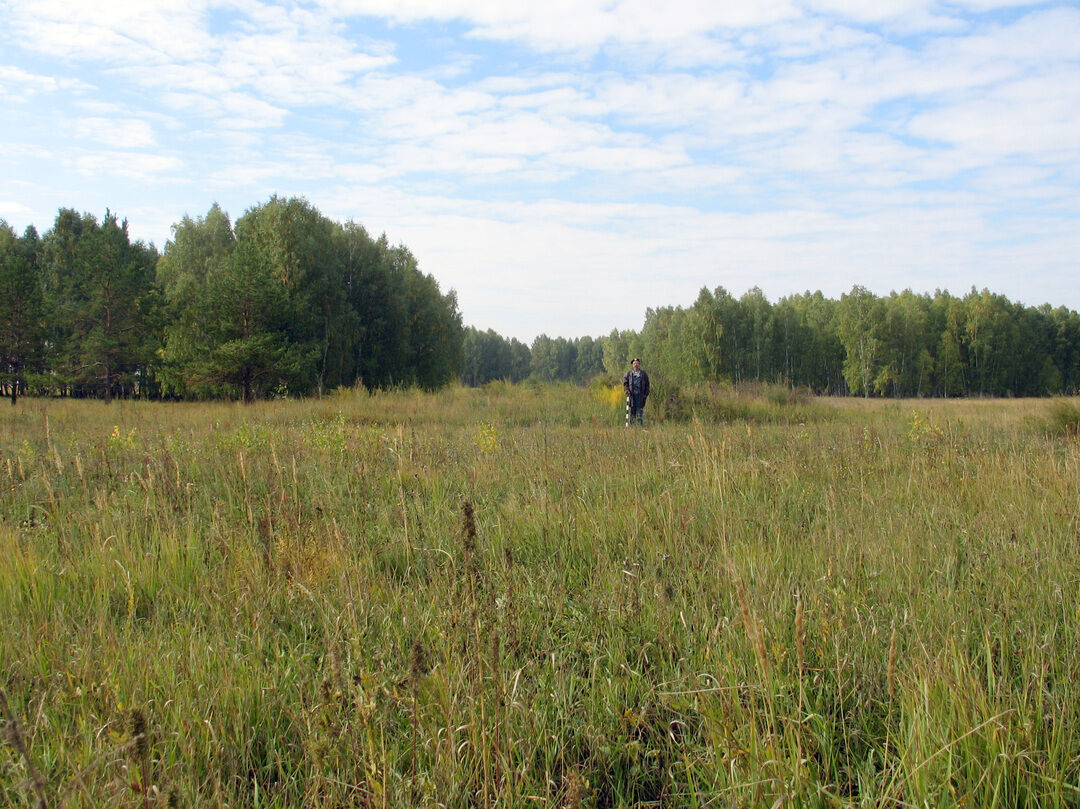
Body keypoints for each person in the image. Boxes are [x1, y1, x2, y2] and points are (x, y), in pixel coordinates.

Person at [622, 357, 650, 426]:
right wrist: (627, 390)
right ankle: (632, 427)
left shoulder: (643, 374)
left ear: (639, 364)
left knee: (640, 411)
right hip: (632, 396)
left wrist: (646, 394)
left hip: (641, 396)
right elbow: (625, 383)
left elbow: (647, 385)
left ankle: (640, 426)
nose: (635, 365)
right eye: (634, 363)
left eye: (637, 363)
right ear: (632, 365)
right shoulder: (629, 374)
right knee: (632, 412)